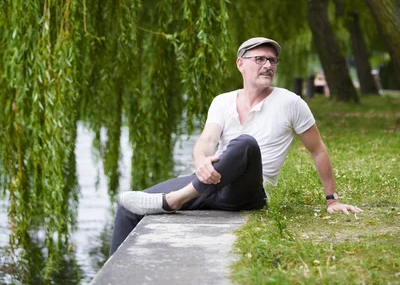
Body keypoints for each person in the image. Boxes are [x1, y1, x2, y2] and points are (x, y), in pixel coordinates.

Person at [110, 36, 362, 254]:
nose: (268, 65)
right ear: (241, 63)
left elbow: (317, 150)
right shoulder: (222, 101)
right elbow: (206, 141)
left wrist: (332, 200)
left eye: (272, 61)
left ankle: (176, 199)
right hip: (210, 183)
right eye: (260, 59)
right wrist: (201, 163)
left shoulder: (290, 102)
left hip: (247, 192)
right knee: (129, 205)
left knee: (245, 143)